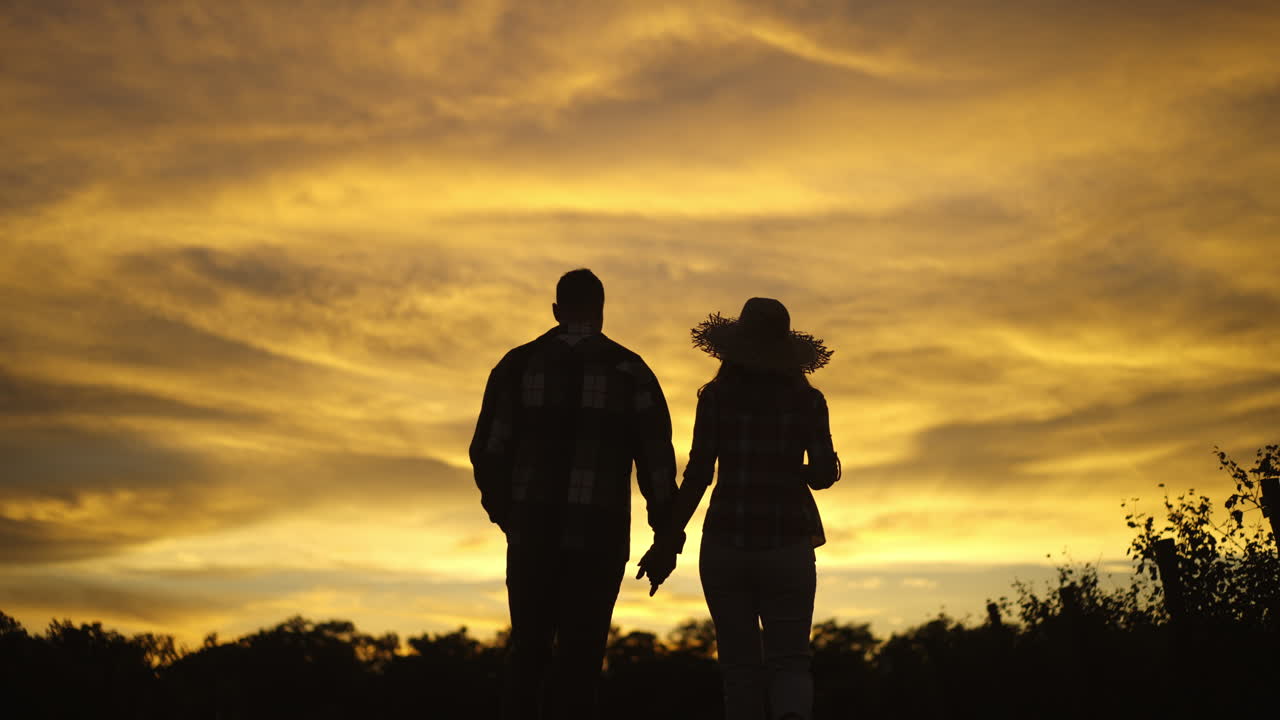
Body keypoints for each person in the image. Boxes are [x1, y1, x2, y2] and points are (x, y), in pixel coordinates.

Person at [470, 268, 678, 720]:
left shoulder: (517, 365)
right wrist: (666, 538)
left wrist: (510, 515)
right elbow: (658, 466)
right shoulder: (631, 371)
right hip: (599, 541)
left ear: (556, 310)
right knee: (581, 662)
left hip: (531, 539)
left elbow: (488, 452)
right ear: (601, 312)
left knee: (527, 653)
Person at [638, 297, 840, 720]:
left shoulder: (715, 397)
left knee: (739, 668)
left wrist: (668, 540)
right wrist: (797, 469)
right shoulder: (808, 400)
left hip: (726, 543)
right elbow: (822, 473)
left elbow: (698, 475)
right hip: (787, 543)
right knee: (790, 662)